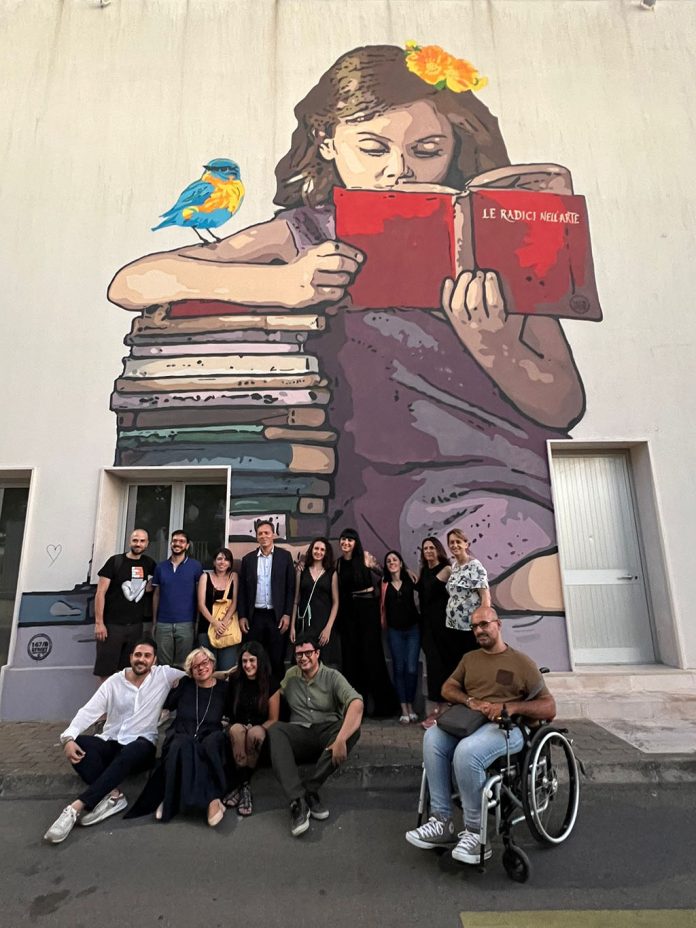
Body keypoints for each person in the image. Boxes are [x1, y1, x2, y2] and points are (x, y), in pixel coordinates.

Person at [108, 43, 586, 623]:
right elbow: (133, 281)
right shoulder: (307, 233)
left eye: (427, 151)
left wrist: (495, 344)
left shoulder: (492, 237)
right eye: (373, 148)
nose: (398, 170)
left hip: (518, 470)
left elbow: (563, 403)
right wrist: (282, 285)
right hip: (403, 484)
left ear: (456, 146)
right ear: (327, 140)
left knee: (570, 574)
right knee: (529, 576)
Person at [405, 606, 556, 865]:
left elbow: (549, 707)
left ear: (498, 624)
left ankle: (475, 834)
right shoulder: (470, 659)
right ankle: (441, 821)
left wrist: (511, 707)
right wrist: (470, 701)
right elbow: (448, 688)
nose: (479, 630)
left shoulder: (521, 663)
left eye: (484, 624)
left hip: (508, 728)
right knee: (433, 738)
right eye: (474, 626)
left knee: (467, 751)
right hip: (472, 721)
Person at [43, 637, 184, 844]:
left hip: (141, 746)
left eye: (147, 656)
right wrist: (68, 738)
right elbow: (89, 711)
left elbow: (198, 671)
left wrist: (226, 675)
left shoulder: (163, 675)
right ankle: (113, 795)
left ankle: (75, 808)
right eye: (138, 655)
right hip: (111, 741)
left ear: (154, 660)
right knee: (79, 745)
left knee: (130, 751)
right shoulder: (114, 682)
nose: (142, 659)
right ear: (131, 657)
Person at [267, 633, 363, 837]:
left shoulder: (332, 676)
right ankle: (298, 800)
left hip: (326, 733)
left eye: (308, 653)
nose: (303, 658)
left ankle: (311, 788)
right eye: (299, 654)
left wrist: (341, 739)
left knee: (353, 730)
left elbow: (356, 703)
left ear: (317, 653)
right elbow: (273, 695)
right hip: (300, 733)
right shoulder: (291, 676)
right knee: (275, 730)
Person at [126, 647, 230, 827]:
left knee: (210, 744)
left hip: (209, 735)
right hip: (182, 733)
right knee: (182, 743)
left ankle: (174, 799)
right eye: (195, 666)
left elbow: (234, 712)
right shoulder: (185, 685)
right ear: (190, 671)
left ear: (212, 664)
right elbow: (164, 703)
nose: (201, 668)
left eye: (205, 663)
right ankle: (209, 800)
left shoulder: (224, 689)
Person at [335, 528, 399, 717]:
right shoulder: (338, 563)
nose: (346, 543)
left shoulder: (364, 557)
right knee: (351, 659)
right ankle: (355, 708)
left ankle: (384, 707)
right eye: (343, 539)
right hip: (348, 613)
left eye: (350, 540)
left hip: (367, 610)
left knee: (372, 656)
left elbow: (385, 574)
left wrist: (375, 566)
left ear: (355, 542)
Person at [224, 641, 280, 817]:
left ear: (260, 661)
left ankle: (240, 785)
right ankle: (245, 787)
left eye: (252, 660)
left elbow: (273, 719)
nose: (248, 665)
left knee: (254, 734)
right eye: (244, 661)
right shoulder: (235, 680)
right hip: (237, 730)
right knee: (237, 731)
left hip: (260, 733)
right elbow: (228, 712)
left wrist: (255, 728)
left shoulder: (270, 682)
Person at [93, 528, 156, 681]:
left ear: (147, 544)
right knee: (106, 670)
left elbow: (157, 584)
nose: (138, 544)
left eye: (142, 541)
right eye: (135, 540)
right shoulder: (115, 562)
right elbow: (100, 593)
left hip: (136, 627)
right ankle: (107, 697)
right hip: (111, 626)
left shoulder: (149, 563)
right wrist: (99, 623)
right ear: (129, 542)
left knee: (129, 670)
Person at [237, 520, 295, 681]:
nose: (263, 536)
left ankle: (277, 693)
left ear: (273, 535)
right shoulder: (248, 559)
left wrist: (287, 614)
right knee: (255, 658)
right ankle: (257, 692)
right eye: (260, 533)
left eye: (267, 533)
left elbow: (290, 588)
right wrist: (242, 616)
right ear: (256, 537)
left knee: (277, 658)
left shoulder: (285, 557)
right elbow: (242, 591)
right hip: (255, 617)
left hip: (277, 617)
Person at [416, 537, 454, 728]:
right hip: (427, 625)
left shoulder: (446, 569)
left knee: (443, 664)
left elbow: (432, 588)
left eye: (432, 548)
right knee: (432, 665)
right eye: (425, 548)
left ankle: (445, 707)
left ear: (438, 550)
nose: (428, 551)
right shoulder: (424, 571)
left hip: (443, 625)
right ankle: (438, 706)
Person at [151, 530, 203, 667]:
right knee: (163, 666)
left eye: (181, 541)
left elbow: (199, 596)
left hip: (186, 623)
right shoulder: (160, 567)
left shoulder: (195, 566)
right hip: (163, 623)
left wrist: (197, 622)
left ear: (187, 545)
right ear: (171, 544)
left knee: (184, 665)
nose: (177, 544)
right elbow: (156, 594)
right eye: (174, 541)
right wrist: (155, 621)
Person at [381, 550, 421, 724]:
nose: (392, 562)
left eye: (395, 559)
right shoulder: (384, 583)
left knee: (411, 669)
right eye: (388, 561)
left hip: (413, 630)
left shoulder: (410, 580)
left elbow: (424, 588)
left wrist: (410, 571)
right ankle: (403, 708)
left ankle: (411, 705)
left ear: (401, 563)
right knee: (399, 668)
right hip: (394, 631)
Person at [291, 536, 340, 667]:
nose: (318, 552)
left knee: (324, 661)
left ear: (326, 553)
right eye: (316, 548)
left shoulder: (331, 573)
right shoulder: (301, 571)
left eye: (322, 550)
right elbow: (296, 600)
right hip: (305, 624)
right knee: (304, 660)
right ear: (311, 550)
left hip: (323, 623)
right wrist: (292, 627)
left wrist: (328, 628)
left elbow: (336, 602)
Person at [445, 529, 490, 658]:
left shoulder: (474, 566)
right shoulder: (454, 566)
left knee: (473, 660)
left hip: (470, 627)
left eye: (458, 542)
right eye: (451, 542)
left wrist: (483, 623)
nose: (455, 545)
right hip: (453, 625)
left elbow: (485, 596)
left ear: (466, 544)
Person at [197, 547, 239, 672]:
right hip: (207, 627)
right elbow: (201, 604)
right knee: (207, 668)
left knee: (227, 670)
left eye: (226, 559)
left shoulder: (234, 577)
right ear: (214, 562)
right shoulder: (205, 577)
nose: (222, 562)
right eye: (219, 559)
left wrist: (223, 624)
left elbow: (235, 602)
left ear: (230, 563)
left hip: (228, 628)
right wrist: (215, 623)